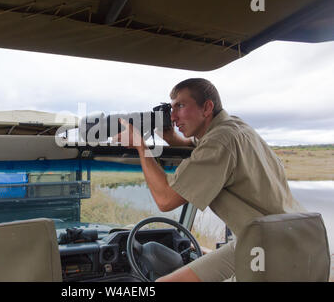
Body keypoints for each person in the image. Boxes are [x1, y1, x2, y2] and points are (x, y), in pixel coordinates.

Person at [114, 78, 306, 282]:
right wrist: (172, 138)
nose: (173, 116)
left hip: (271, 251)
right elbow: (197, 143)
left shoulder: (219, 142)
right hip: (274, 237)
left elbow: (165, 199)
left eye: (180, 106)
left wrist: (141, 147)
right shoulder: (233, 126)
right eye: (171, 109)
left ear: (207, 107)